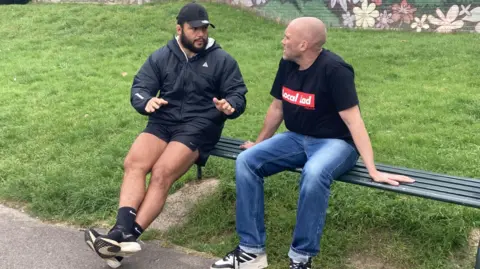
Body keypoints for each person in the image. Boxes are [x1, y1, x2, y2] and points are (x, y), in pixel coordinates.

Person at [211, 17, 414, 269]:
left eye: (287, 37)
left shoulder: (336, 70)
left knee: (315, 172)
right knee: (247, 161)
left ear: (304, 44)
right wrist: (259, 143)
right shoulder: (288, 64)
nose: (282, 41)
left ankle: (301, 257)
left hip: (336, 143)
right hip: (295, 138)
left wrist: (373, 170)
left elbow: (354, 121)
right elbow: (277, 108)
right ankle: (251, 251)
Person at [83, 2, 248, 268]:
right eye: (194, 29)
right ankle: (119, 237)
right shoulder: (162, 56)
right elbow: (140, 87)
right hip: (163, 121)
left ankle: (123, 238)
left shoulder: (222, 59)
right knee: (134, 163)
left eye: (204, 28)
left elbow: (237, 93)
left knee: (161, 172)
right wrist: (146, 101)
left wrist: (230, 106)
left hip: (199, 125)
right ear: (179, 29)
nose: (200, 34)